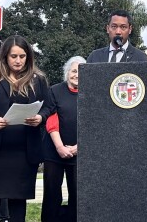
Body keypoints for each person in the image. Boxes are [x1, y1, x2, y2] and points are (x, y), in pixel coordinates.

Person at [0, 35, 53, 222]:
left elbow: (49, 106)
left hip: (23, 152)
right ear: (5, 57)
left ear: (28, 57)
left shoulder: (38, 80)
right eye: (13, 56)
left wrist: (40, 117)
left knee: (18, 200)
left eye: (22, 56)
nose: (18, 61)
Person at [41, 56, 86, 222]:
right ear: (67, 72)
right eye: (74, 71)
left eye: (81, 71)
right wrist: (60, 147)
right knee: (52, 194)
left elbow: (93, 123)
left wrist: (78, 147)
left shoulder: (91, 93)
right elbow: (52, 120)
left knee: (77, 195)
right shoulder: (54, 90)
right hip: (54, 152)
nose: (77, 75)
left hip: (80, 153)